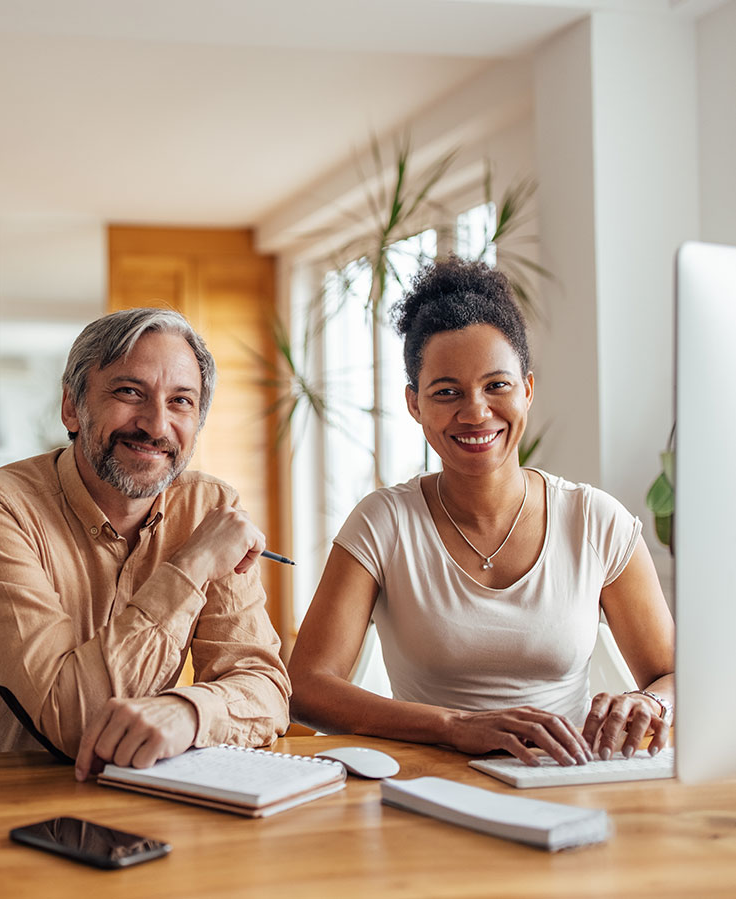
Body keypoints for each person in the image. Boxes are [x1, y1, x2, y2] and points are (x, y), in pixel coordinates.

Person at [288, 256, 674, 767]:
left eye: (497, 385)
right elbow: (307, 687)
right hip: (426, 788)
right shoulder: (384, 522)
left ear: (528, 390)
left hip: (566, 780)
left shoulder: (594, 521)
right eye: (446, 392)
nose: (475, 412)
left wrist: (649, 701)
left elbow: (673, 675)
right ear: (414, 405)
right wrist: (455, 726)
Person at [0, 308, 290, 780]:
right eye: (129, 392)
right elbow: (72, 722)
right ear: (72, 408)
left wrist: (190, 712)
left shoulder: (210, 506)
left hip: (141, 794)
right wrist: (194, 563)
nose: (156, 425)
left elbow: (263, 686)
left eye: (181, 401)